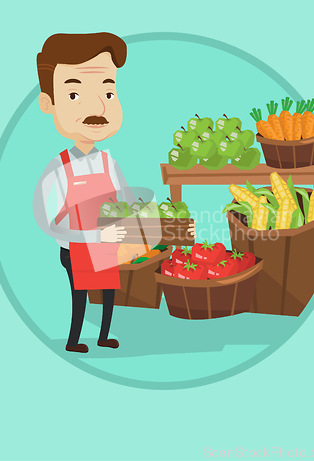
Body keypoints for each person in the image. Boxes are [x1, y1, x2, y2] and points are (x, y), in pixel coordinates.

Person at [33, 33, 194, 354]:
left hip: (109, 244)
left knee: (108, 292)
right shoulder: (58, 169)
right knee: (80, 295)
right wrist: (92, 236)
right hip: (77, 248)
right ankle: (74, 339)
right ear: (48, 103)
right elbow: (48, 224)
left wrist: (157, 228)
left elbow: (127, 205)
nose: (97, 106)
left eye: (108, 91)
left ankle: (104, 335)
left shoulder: (109, 162)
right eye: (75, 94)